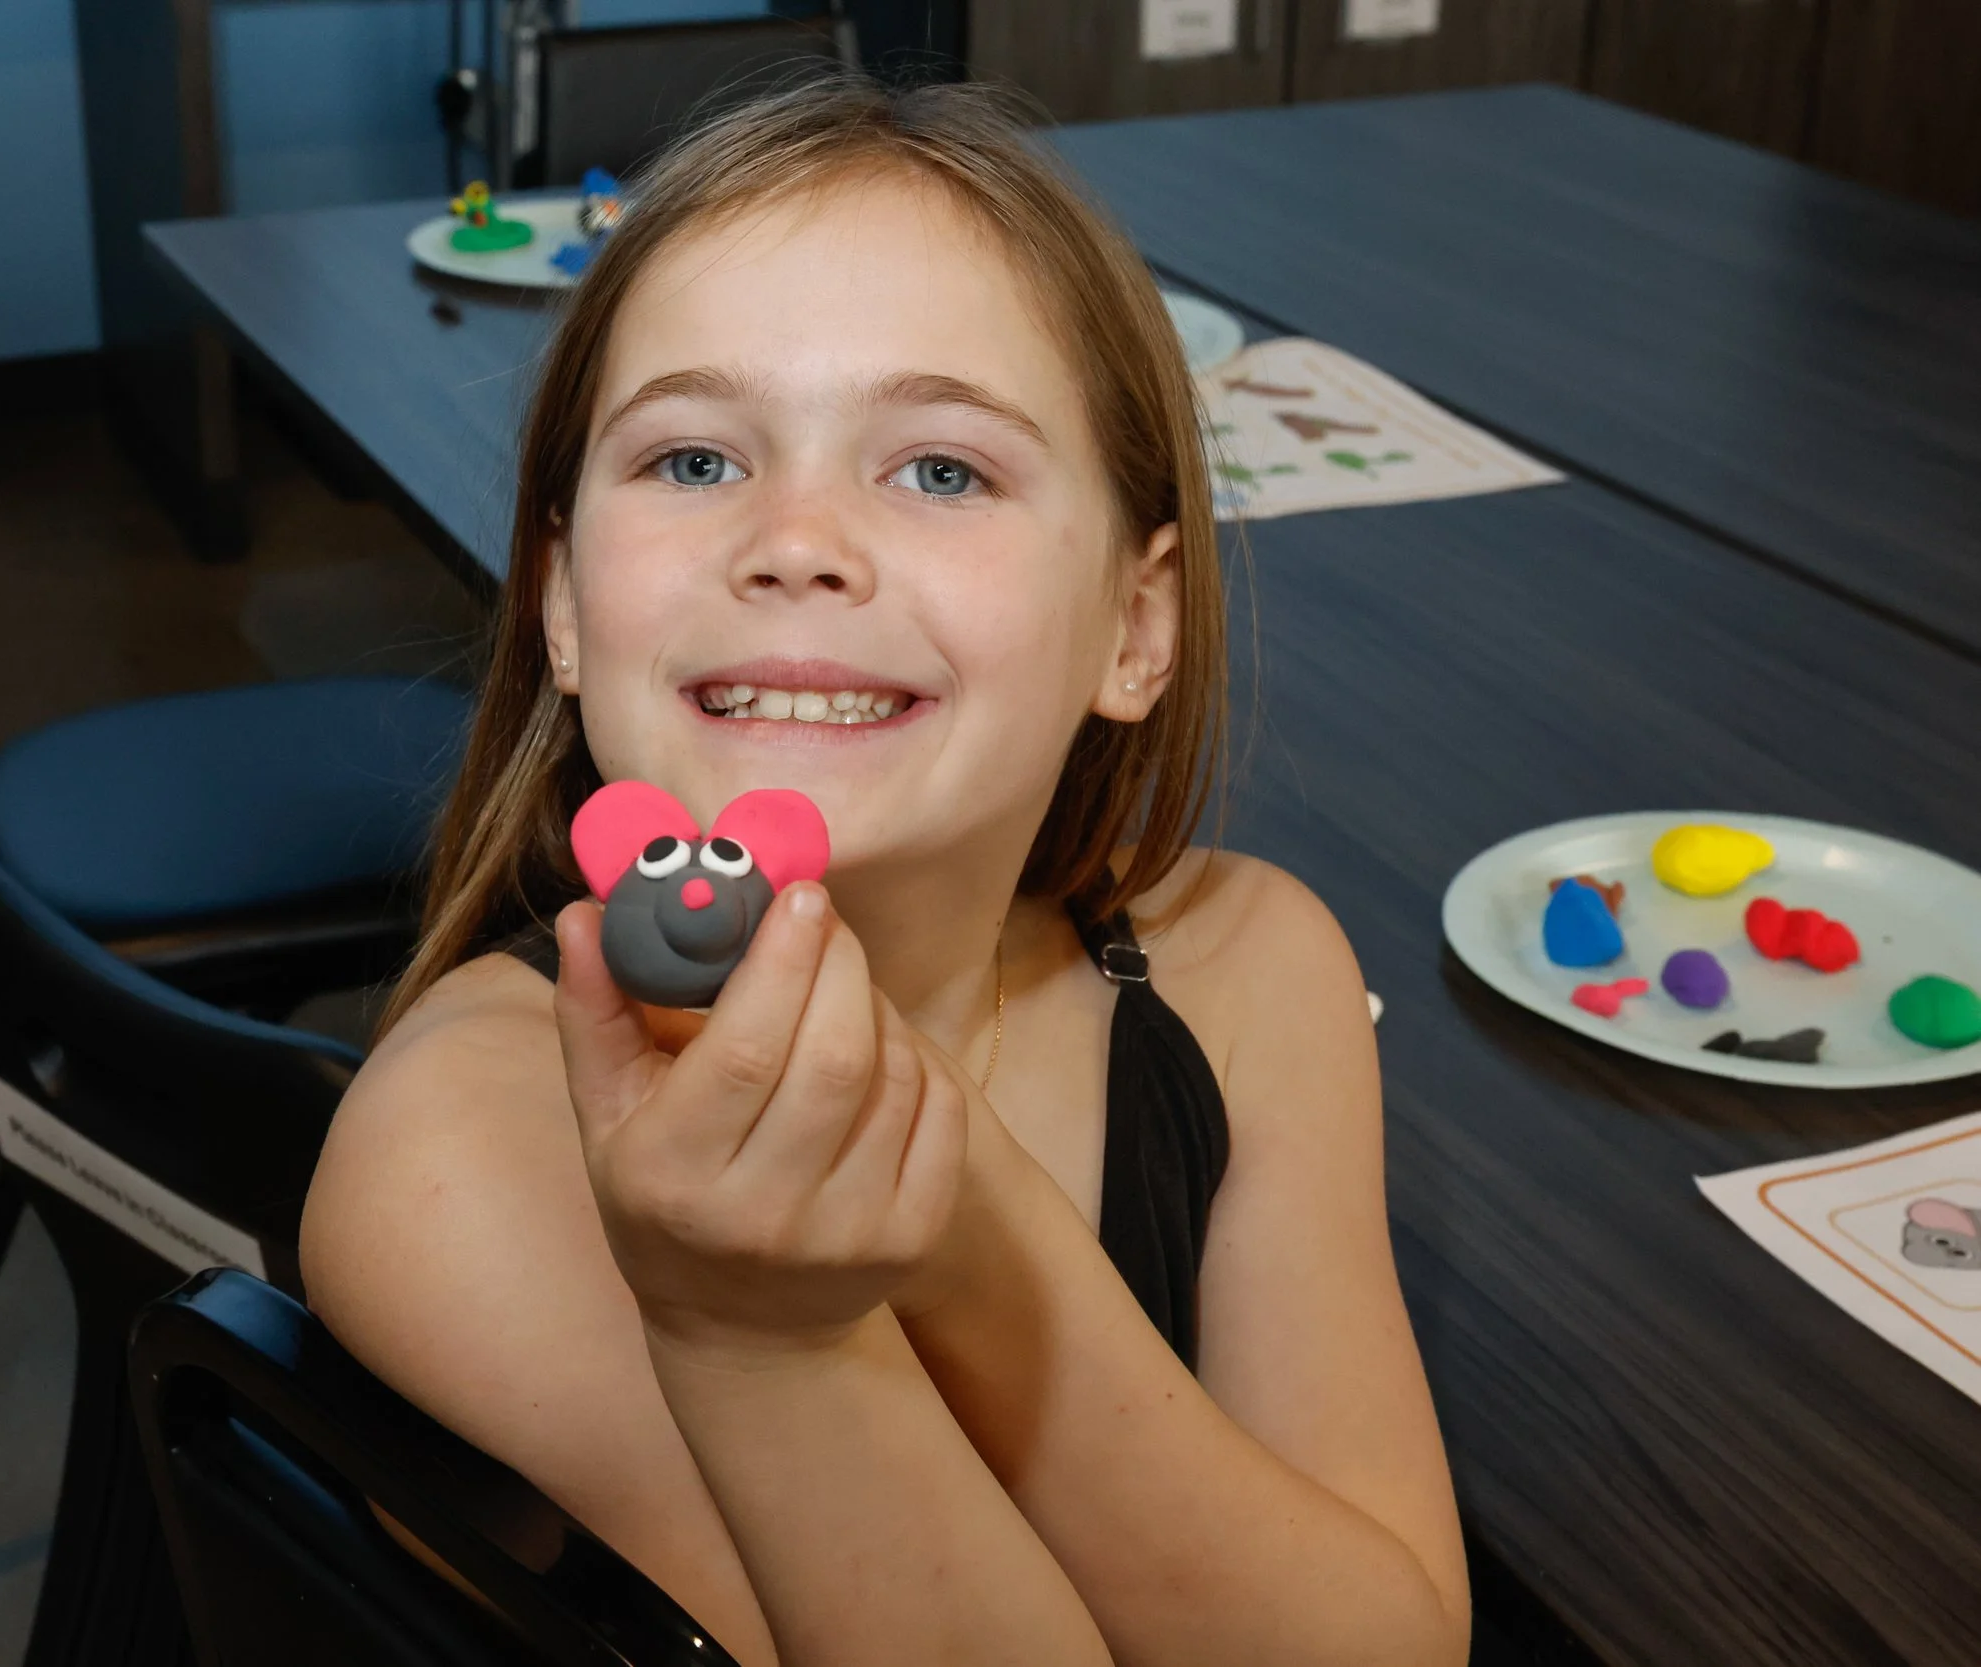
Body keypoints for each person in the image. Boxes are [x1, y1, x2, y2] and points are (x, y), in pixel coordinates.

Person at [302, 72, 1468, 1667]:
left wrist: (968, 1213)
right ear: (563, 599)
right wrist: (752, 1341)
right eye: (697, 460)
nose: (797, 536)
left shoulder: (1253, 968)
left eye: (940, 470)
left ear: (1136, 627)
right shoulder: (453, 1152)